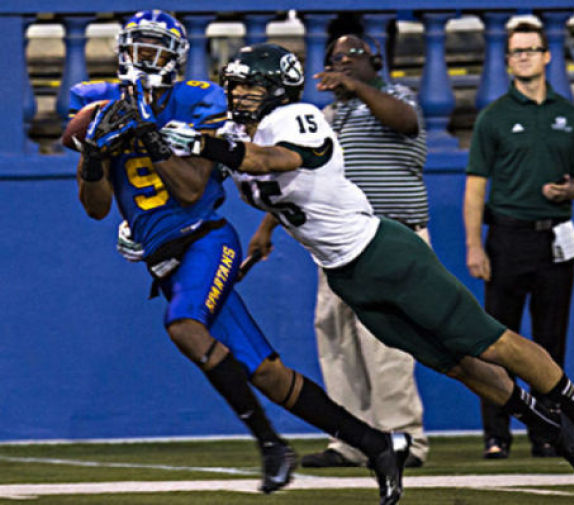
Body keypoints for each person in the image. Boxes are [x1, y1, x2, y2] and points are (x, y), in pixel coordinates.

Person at [160, 42, 574, 488]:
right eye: (235, 87)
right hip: (347, 274)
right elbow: (264, 184)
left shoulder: (293, 118)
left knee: (489, 341)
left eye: (249, 88)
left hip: (383, 254)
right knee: (455, 365)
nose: (238, 96)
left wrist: (207, 147)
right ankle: (549, 427)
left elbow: (275, 160)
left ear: (279, 89)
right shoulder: (241, 133)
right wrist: (260, 230)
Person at [71, 11, 410, 505]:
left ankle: (272, 447)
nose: (144, 59)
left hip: (205, 238)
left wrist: (148, 134)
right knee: (268, 373)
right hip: (164, 260)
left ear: (176, 57)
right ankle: (378, 446)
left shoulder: (197, 100)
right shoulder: (94, 103)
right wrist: (95, 156)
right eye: (137, 48)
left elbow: (190, 191)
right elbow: (96, 208)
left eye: (155, 49)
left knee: (185, 325)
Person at [463, 21, 574, 460]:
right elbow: (475, 186)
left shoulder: (567, 113)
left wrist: (569, 190)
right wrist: (474, 245)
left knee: (550, 341)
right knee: (496, 342)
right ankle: (496, 434)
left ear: (546, 56)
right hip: (507, 236)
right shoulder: (495, 116)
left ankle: (548, 432)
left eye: (530, 49)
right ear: (508, 61)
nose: (523, 57)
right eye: (515, 51)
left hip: (554, 238)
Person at [298, 33, 429, 469]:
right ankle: (352, 441)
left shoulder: (396, 95)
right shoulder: (327, 116)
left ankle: (403, 438)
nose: (342, 63)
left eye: (352, 55)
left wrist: (357, 88)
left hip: (390, 235)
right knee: (335, 339)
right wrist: (264, 231)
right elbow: (303, 179)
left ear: (376, 59)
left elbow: (406, 122)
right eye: (335, 58)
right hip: (336, 242)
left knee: (384, 341)